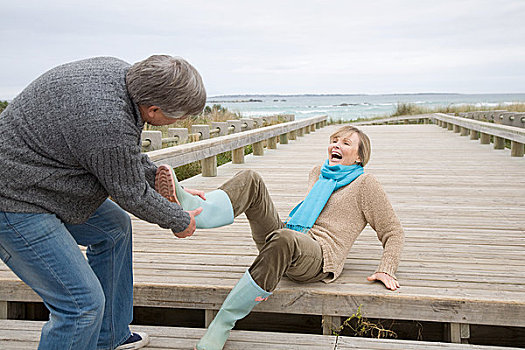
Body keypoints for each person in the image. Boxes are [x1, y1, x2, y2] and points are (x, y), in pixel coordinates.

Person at [0, 55, 206, 349]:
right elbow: (131, 193)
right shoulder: (107, 120)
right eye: (179, 117)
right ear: (154, 109)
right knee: (81, 305)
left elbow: (120, 159)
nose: (181, 122)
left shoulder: (123, 75)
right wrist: (180, 221)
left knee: (114, 229)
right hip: (13, 200)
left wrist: (178, 192)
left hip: (42, 178)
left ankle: (110, 337)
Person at [157, 125, 404, 350]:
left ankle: (223, 323)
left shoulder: (365, 184)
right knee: (250, 179)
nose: (336, 145)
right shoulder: (319, 172)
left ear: (359, 157)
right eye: (334, 140)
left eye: (346, 143)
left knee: (285, 238)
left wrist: (387, 268)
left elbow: (393, 230)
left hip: (319, 256)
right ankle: (196, 212)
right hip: (288, 238)